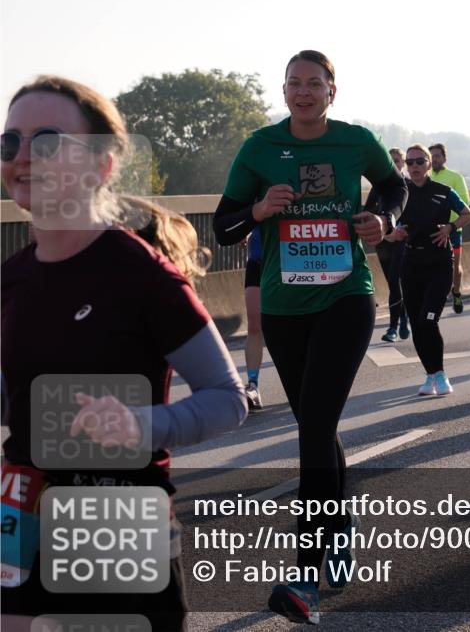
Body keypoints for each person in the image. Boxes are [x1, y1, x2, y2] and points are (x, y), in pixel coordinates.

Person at [1, 76, 246, 630]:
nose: (22, 156)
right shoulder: (10, 279)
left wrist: (140, 425)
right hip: (21, 511)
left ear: (102, 165)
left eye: (47, 141)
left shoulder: (141, 275)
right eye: (9, 142)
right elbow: (14, 397)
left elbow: (227, 398)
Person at [213, 50, 407, 624]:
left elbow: (394, 188)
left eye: (314, 84)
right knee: (316, 428)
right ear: (284, 92)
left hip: (346, 298)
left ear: (331, 92)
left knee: (314, 430)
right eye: (294, 83)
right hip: (283, 306)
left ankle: (304, 579)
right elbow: (223, 226)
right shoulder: (260, 147)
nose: (304, 92)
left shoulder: (356, 141)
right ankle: (340, 526)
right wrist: (258, 209)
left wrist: (384, 220)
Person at [386, 145, 470, 395]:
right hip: (411, 264)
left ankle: (441, 374)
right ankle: (430, 375)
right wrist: (394, 233)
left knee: (428, 319)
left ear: (428, 163)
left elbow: (467, 214)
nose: (414, 166)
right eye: (410, 162)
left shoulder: (443, 191)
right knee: (417, 323)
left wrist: (450, 228)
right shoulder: (401, 193)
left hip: (439, 265)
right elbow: (387, 232)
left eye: (419, 161)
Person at [367, 148, 410, 342]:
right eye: (391, 160)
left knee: (395, 280)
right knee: (392, 283)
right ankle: (403, 317)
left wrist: (399, 231)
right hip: (384, 241)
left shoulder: (408, 186)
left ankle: (393, 327)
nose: (395, 163)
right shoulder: (378, 187)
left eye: (398, 160)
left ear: (403, 163)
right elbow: (368, 209)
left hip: (403, 240)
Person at [428, 143, 470, 314]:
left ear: (444, 158)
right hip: (431, 232)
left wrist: (449, 225)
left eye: (437, 156)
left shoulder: (456, 177)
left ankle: (457, 292)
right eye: (431, 156)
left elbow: (465, 204)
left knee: (455, 267)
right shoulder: (425, 177)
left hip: (452, 231)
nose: (434, 159)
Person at [243, 226, 265, 409]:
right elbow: (244, 216)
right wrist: (243, 231)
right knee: (254, 326)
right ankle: (253, 385)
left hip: (290, 260)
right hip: (258, 261)